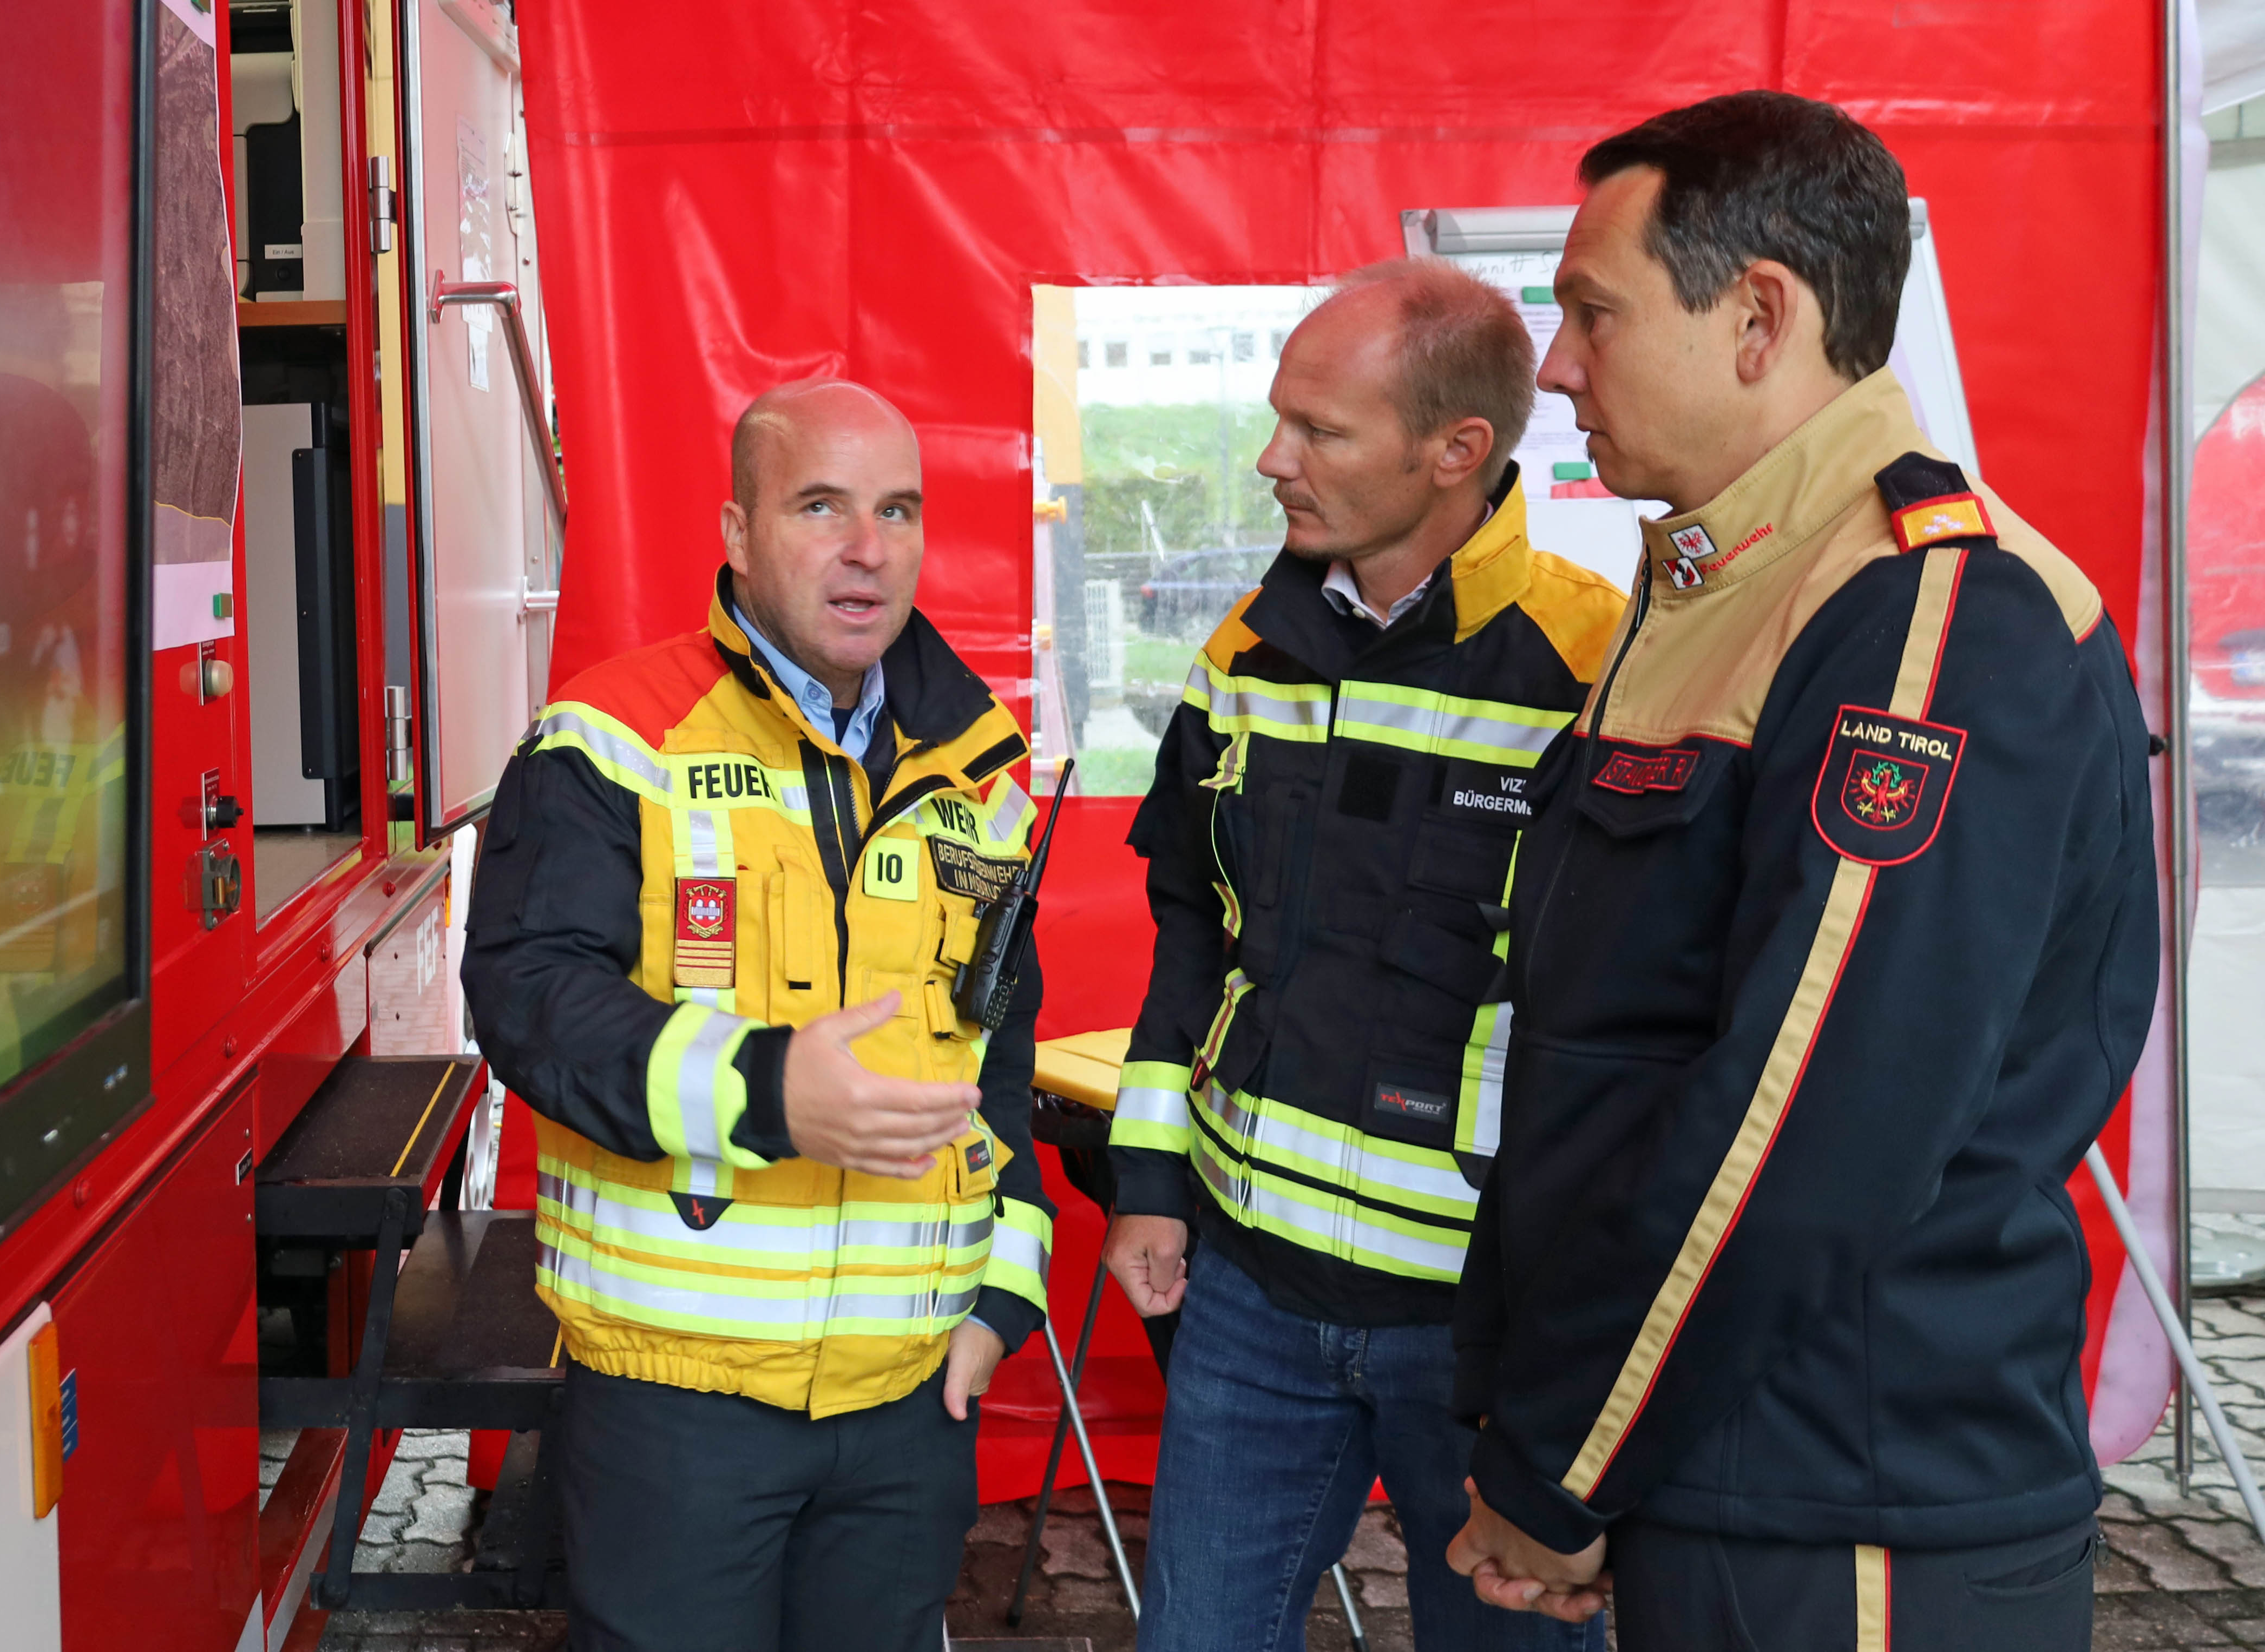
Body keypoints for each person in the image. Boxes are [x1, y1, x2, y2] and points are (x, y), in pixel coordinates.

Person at [1443, 92, 2159, 1652]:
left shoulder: (1929, 615)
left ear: (1761, 316)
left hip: (1851, 1500)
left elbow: (1802, 1117)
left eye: (1591, 314)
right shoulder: (1725, 578)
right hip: (1725, 1474)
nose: (1557, 367)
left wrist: (1560, 1466)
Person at [461, 378, 1056, 1652]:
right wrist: (765, 1092)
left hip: (911, 1405)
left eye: (897, 509)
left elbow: (1000, 1056)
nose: (868, 547)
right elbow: (527, 996)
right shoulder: (612, 736)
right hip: (679, 1406)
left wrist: (1001, 1308)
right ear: (735, 533)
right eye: (821, 506)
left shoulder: (983, 767)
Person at [1102, 257, 1629, 1651]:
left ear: (1458, 451)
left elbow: (1641, 1029)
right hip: (1249, 1297)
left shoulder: (1601, 675)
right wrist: (1153, 1185)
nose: (1273, 460)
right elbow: (1195, 927)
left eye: (1319, 431)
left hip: (1483, 1334)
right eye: (1281, 419)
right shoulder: (1247, 654)